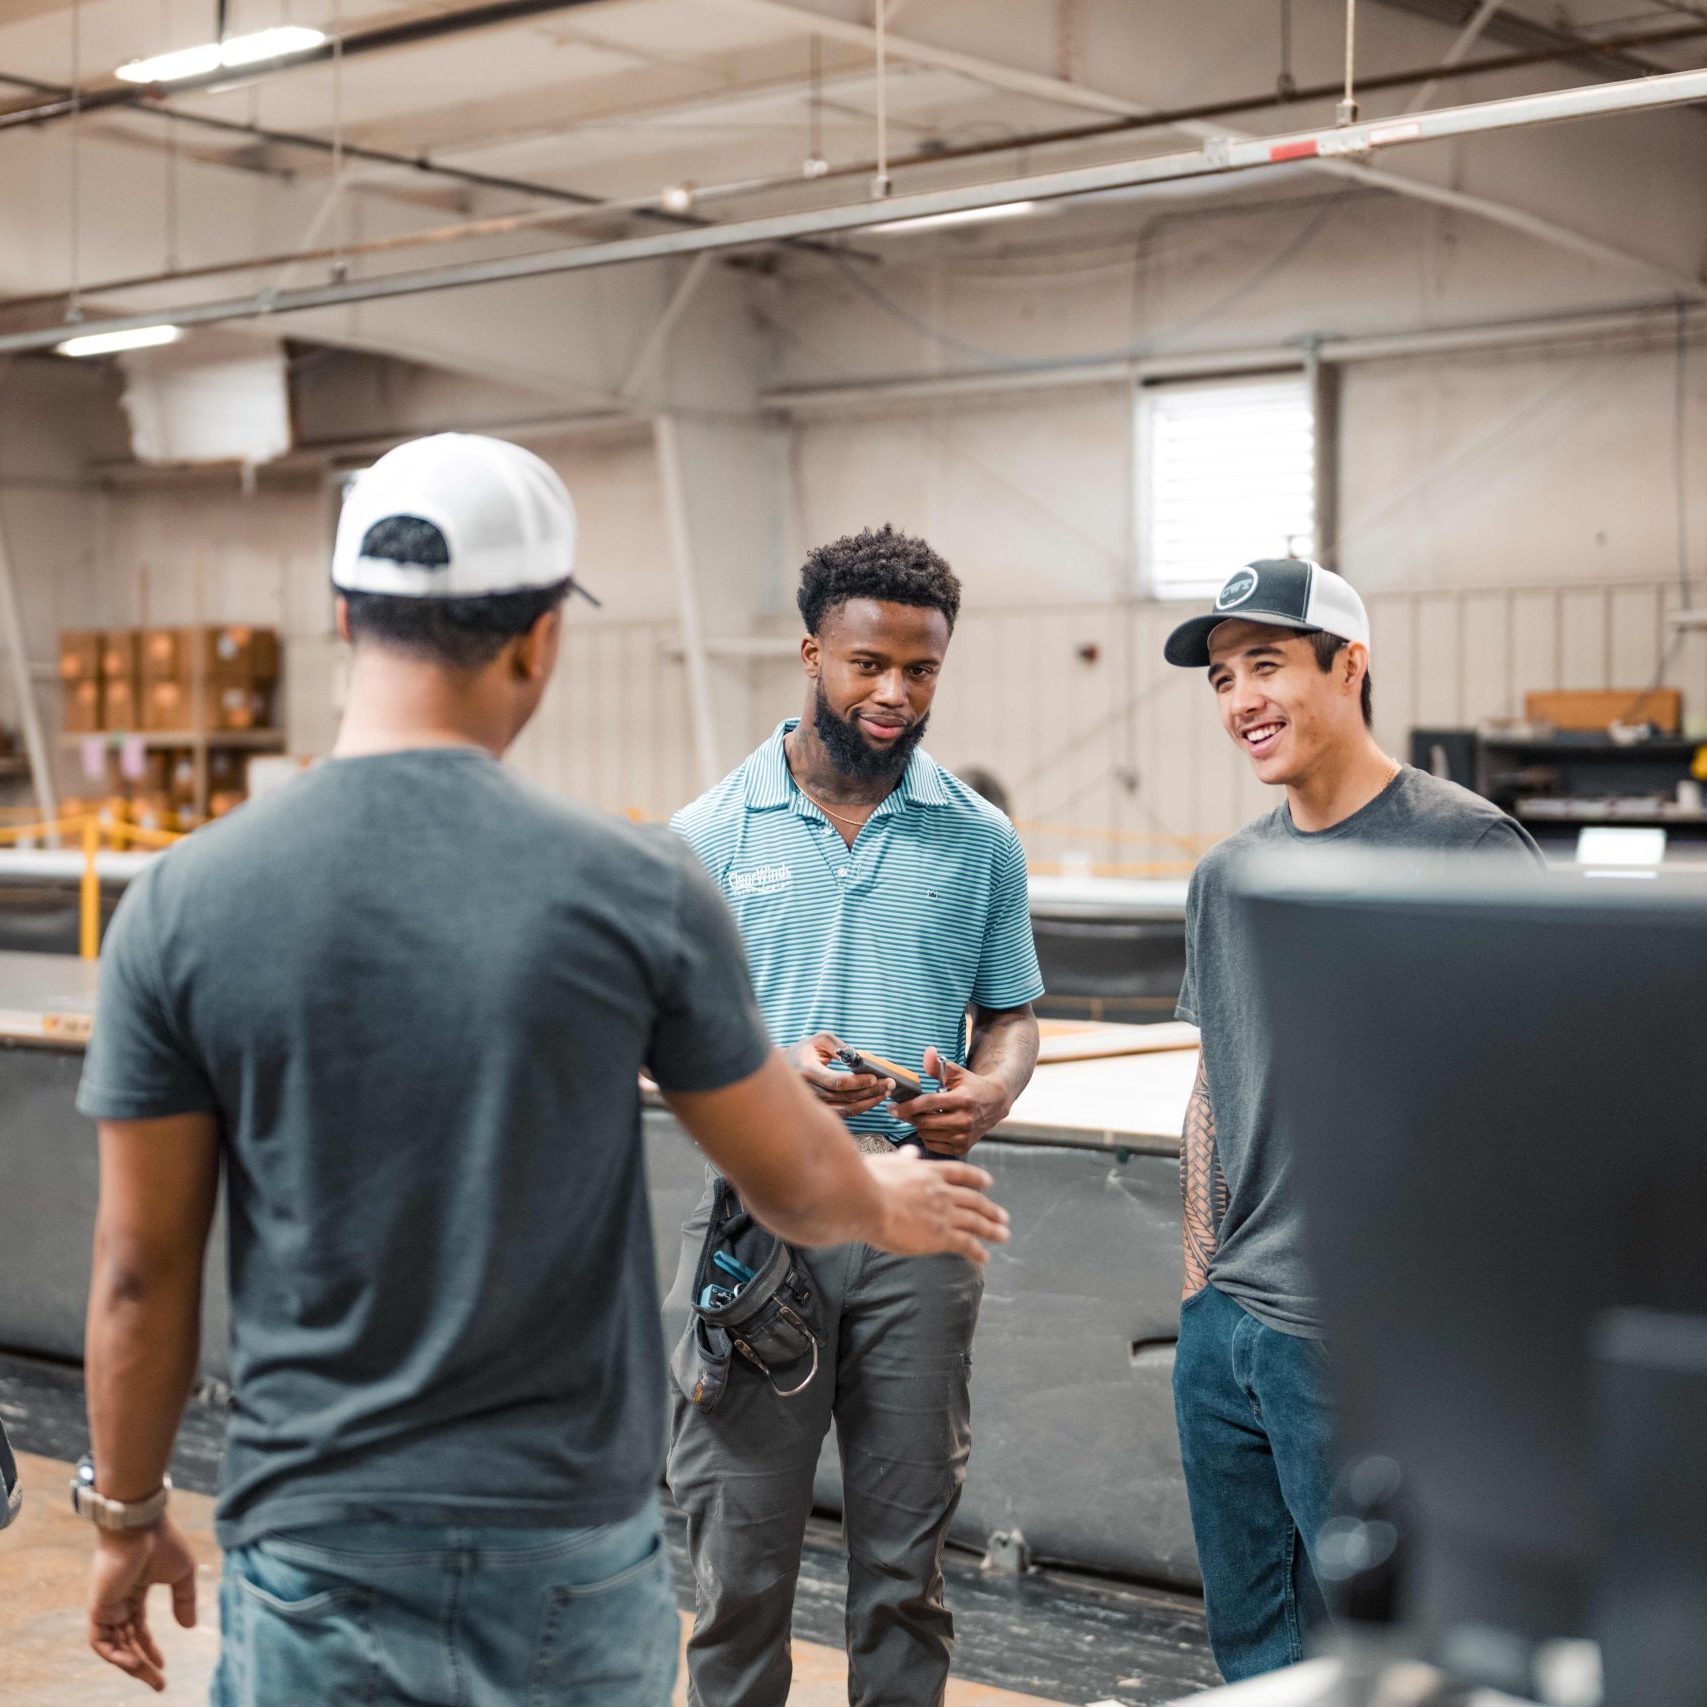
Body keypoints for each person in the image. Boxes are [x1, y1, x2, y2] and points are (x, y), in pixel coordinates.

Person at [72, 437, 1010, 1704]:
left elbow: (140, 1271)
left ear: (344, 618)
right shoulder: (636, 887)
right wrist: (888, 1196)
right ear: (540, 638)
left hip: (318, 1539)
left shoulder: (180, 905)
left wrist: (127, 1512)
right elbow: (791, 1181)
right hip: (566, 1543)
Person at [666, 524, 1044, 1707]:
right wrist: (770, 1075)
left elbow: (1011, 1015)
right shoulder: (708, 838)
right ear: (811, 655)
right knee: (739, 1570)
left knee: (905, 1570)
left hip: (919, 1229)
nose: (894, 694)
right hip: (764, 1227)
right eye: (868, 664)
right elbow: (660, 1046)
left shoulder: (978, 841)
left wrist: (992, 1089)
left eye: (921, 671)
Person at [1162, 557, 1542, 1683]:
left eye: (1265, 665)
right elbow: (1214, 1089)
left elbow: (1526, 1119)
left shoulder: (1466, 850)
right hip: (1228, 1335)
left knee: (1388, 1665)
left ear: (1349, 666)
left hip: (1367, 1350)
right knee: (1255, 1659)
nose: (1241, 701)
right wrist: (1200, 1294)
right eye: (1222, 679)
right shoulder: (1227, 876)